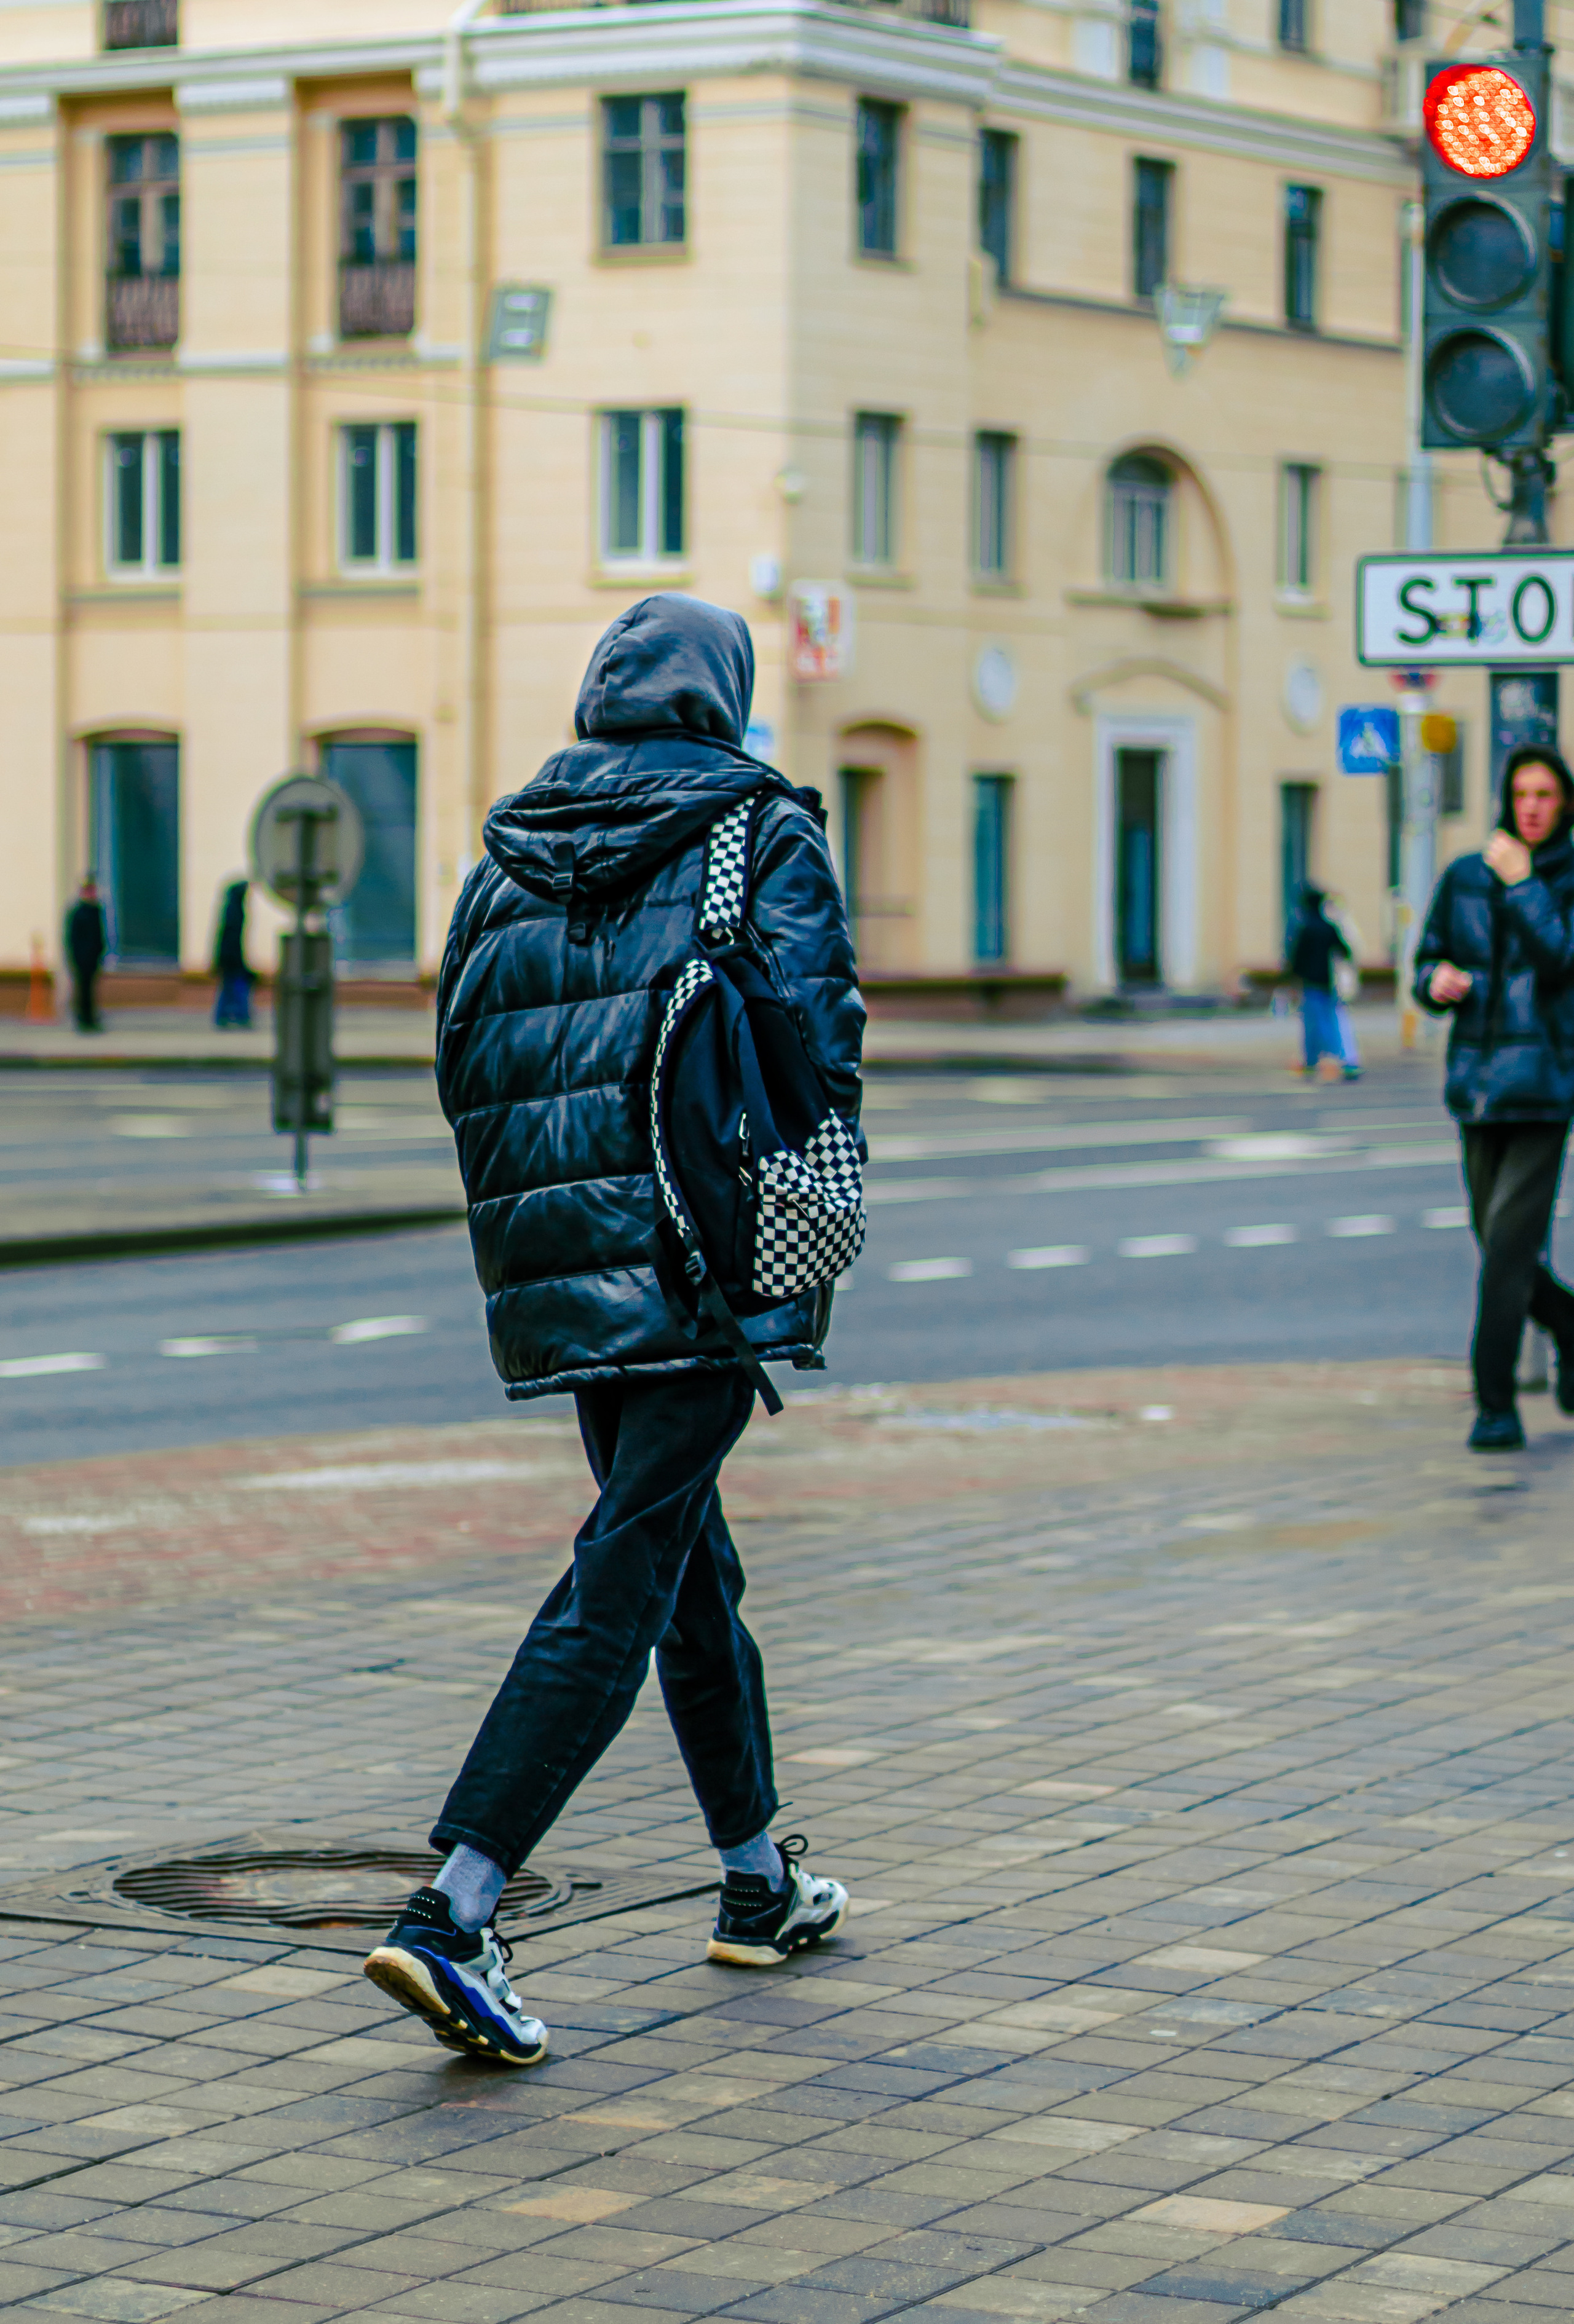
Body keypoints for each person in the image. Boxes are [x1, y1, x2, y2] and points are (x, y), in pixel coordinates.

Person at [363, 594, 864, 2066]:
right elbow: (818, 1041)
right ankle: (453, 1908)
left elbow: (464, 1048)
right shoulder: (758, 826)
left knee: (680, 1554)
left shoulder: (507, 852)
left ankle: (758, 1882)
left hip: (561, 1266)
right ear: (722, 696)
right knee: (626, 1569)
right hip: (706, 1254)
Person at [1415, 744, 1574, 1452]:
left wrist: (1523, 885)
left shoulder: (1562, 878)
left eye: (1546, 794)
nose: (1533, 807)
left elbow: (1561, 960)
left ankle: (1494, 1405)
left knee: (1507, 1250)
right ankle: (1570, 1326)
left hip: (1545, 1087)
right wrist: (1435, 980)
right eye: (1522, 795)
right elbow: (1427, 956)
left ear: (1565, 803)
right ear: (1504, 801)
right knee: (1493, 1239)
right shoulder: (1461, 877)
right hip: (1477, 1090)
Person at [1287, 883, 1353, 1081]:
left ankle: (1313, 1060)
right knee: (1328, 1021)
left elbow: (1296, 958)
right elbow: (1345, 951)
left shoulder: (1305, 928)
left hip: (1309, 983)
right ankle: (1341, 1058)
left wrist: (1292, 979)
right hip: (1326, 982)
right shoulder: (1328, 927)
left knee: (1311, 1024)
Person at [65, 876, 107, 1033]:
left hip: (93, 958)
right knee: (82, 989)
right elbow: (72, 938)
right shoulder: (78, 912)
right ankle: (83, 1019)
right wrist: (74, 957)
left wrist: (100, 952)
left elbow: (99, 935)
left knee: (91, 989)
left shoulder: (96, 911)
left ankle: (91, 1018)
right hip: (81, 958)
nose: (92, 894)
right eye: (89, 891)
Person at [212, 878, 253, 1028]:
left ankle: (225, 1016)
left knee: (229, 989)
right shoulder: (236, 911)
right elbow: (232, 940)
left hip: (230, 959)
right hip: (233, 959)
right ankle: (240, 1016)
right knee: (237, 988)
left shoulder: (231, 909)